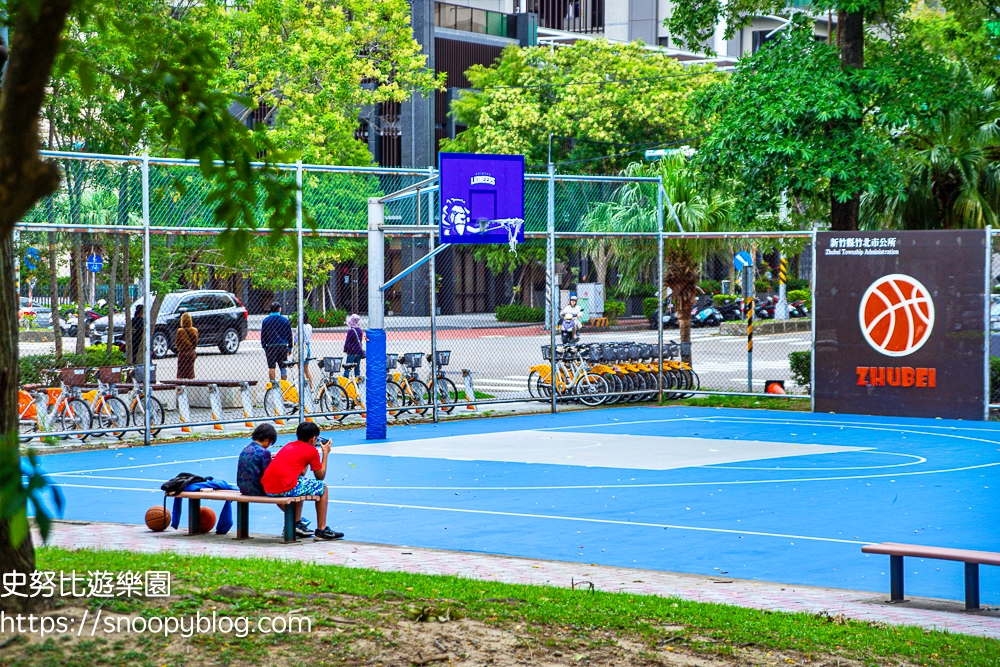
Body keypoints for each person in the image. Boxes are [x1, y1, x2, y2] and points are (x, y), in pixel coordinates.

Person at [260, 422, 343, 540]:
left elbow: (302, 472)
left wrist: (306, 460)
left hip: (268, 488)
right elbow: (320, 476)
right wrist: (325, 453)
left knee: (300, 482)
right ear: (313, 438)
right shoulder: (311, 451)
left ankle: (296, 523)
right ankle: (322, 529)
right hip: (284, 487)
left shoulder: (289, 445)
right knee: (323, 487)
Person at [236, 423, 316, 536]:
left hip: (244, 487)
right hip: (258, 488)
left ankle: (296, 520)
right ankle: (295, 520)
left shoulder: (246, 449)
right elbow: (270, 473)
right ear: (268, 439)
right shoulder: (264, 452)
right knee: (289, 486)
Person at [261, 302, 292, 383]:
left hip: (270, 346)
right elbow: (289, 335)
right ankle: (283, 385)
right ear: (279, 309)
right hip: (282, 346)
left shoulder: (266, 321)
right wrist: (290, 347)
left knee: (271, 367)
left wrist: (264, 346)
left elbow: (263, 335)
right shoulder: (285, 320)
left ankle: (273, 385)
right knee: (283, 367)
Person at [175, 312, 198, 379]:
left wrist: (180, 348)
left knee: (181, 370)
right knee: (190, 370)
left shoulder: (180, 331)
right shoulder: (195, 330)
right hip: (191, 352)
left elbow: (177, 342)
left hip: (182, 352)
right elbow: (195, 342)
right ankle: (190, 385)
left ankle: (180, 387)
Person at [293, 312, 313, 387]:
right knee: (306, 369)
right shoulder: (309, 326)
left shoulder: (299, 326)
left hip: (301, 347)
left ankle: (303, 387)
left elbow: (296, 338)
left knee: (300, 369)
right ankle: (310, 386)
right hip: (307, 347)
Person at [343, 313, 365, 378]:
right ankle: (357, 383)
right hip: (358, 351)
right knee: (357, 368)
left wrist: (346, 350)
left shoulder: (351, 331)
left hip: (351, 351)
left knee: (347, 368)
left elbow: (347, 342)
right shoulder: (360, 331)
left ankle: (345, 381)